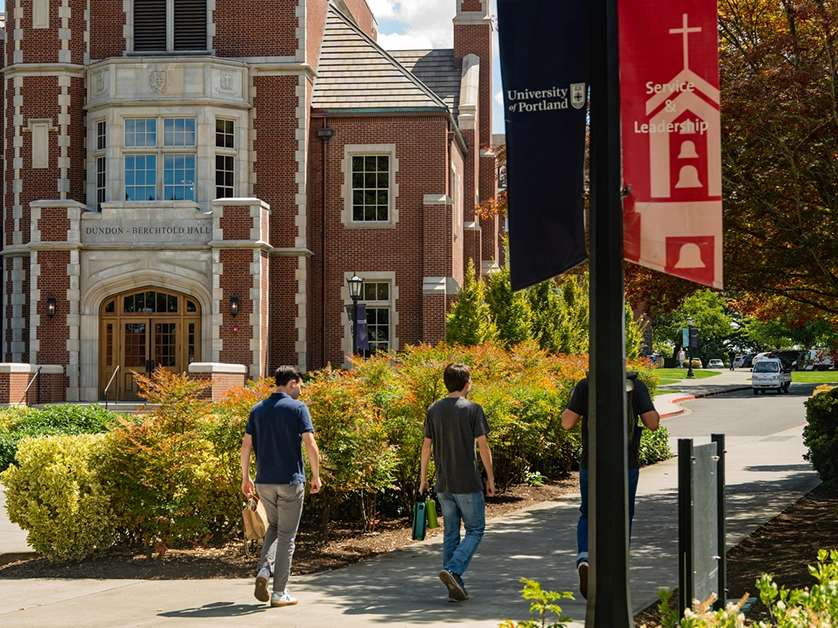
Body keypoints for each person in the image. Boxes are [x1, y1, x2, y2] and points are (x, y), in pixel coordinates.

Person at [561, 373, 660, 599]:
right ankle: (616, 572)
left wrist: (577, 398)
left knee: (588, 513)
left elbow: (567, 423)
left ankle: (585, 558)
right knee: (623, 515)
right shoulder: (635, 386)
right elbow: (652, 424)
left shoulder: (586, 385)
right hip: (626, 464)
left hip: (592, 463)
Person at [241, 365, 322, 608]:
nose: (301, 389)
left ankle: (264, 571)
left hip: (264, 481)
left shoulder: (257, 410)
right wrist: (316, 476)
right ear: (292, 382)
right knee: (287, 536)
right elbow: (310, 443)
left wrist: (246, 478)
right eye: (300, 384)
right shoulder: (298, 408)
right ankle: (279, 592)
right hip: (290, 481)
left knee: (274, 528)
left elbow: (246, 446)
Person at [419, 363, 495, 603]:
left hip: (443, 483)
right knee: (475, 529)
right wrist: (491, 478)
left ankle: (455, 587)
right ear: (467, 384)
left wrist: (423, 479)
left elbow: (426, 447)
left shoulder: (434, 409)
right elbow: (483, 447)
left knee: (451, 534)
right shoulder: (473, 409)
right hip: (468, 482)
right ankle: (453, 570)